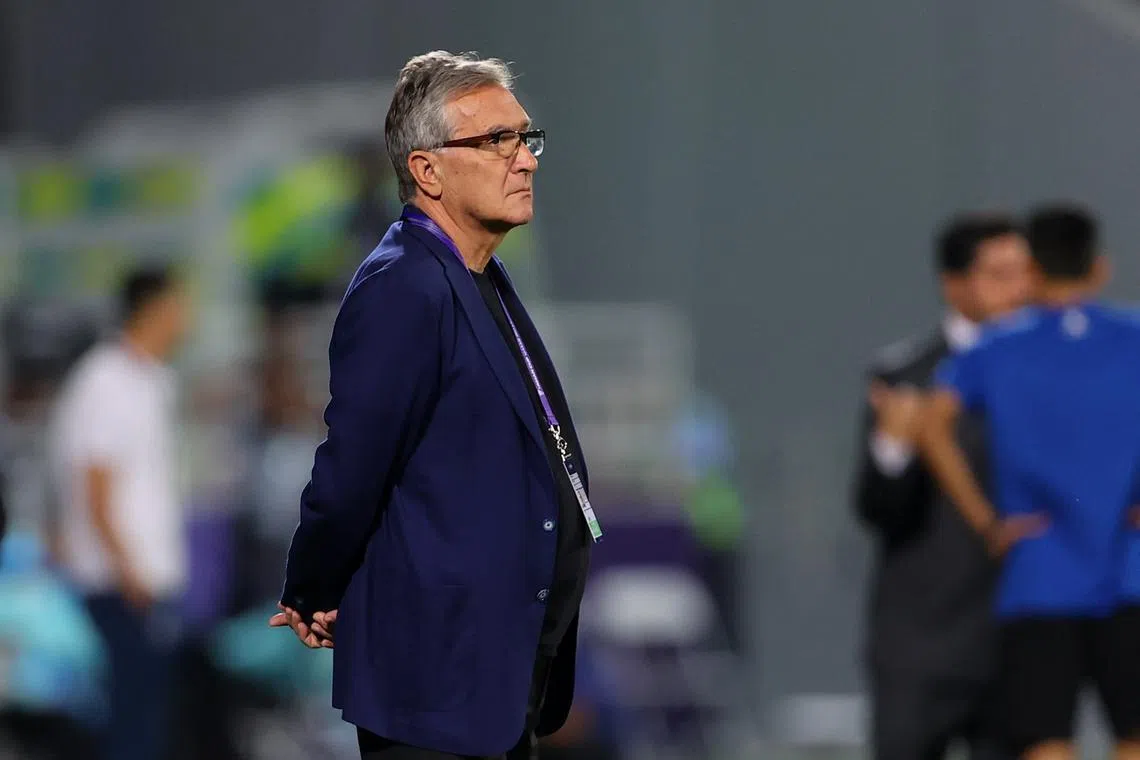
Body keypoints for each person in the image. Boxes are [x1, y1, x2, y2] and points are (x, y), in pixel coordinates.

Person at [271, 51, 598, 760]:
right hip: (436, 687)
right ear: (427, 170)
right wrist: (312, 586)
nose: (525, 160)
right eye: (497, 140)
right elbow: (353, 468)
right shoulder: (403, 288)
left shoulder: (477, 277)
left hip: (490, 678)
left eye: (526, 138)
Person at [921, 204, 1140, 760]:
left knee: (1045, 743)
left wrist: (986, 521)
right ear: (1099, 267)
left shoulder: (995, 347)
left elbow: (932, 427)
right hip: (1130, 566)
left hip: (1038, 570)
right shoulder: (1133, 336)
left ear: (1033, 272)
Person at [854, 213, 1030, 760]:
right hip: (922, 642)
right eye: (999, 275)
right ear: (954, 284)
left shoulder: (1047, 371)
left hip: (1018, 637)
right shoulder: (906, 376)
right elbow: (878, 509)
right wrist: (894, 446)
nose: (1019, 289)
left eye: (1025, 272)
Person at [48, 264, 190, 760]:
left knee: (149, 716)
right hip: (118, 584)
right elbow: (95, 485)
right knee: (130, 722)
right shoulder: (105, 382)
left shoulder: (152, 380)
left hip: (145, 581)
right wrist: (128, 570)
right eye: (179, 306)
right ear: (154, 309)